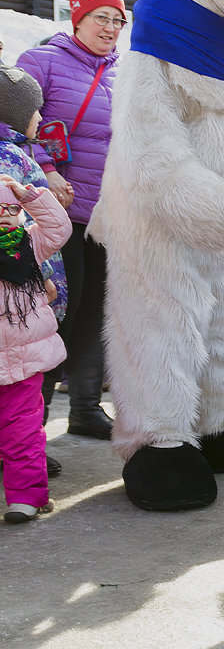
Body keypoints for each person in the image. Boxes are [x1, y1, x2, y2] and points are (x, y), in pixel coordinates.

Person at [16, 0, 125, 441]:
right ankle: (28, 431)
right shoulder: (40, 63)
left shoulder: (129, 73)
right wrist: (47, 170)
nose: (111, 27)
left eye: (118, 20)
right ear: (76, 17)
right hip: (53, 214)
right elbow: (14, 123)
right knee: (56, 313)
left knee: (97, 311)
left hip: (108, 215)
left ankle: (84, 408)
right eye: (102, 17)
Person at [0, 64, 69, 478]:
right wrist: (52, 286)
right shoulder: (16, 161)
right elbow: (41, 237)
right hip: (23, 297)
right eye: (35, 110)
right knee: (26, 385)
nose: (41, 118)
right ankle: (26, 455)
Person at [0, 174, 72, 523]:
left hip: (25, 363)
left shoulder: (30, 245)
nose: (5, 214)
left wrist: (28, 195)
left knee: (23, 434)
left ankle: (27, 498)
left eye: (11, 208)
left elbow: (60, 227)